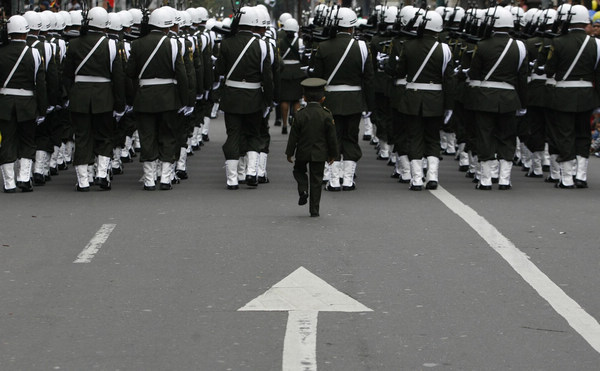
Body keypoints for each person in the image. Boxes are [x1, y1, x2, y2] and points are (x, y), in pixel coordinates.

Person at [63, 6, 126, 191]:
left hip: (80, 97)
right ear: (105, 24)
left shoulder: (73, 44)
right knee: (104, 137)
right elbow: (118, 79)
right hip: (104, 97)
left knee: (82, 137)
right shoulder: (113, 45)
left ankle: (83, 181)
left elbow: (66, 76)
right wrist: (120, 104)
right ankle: (101, 174)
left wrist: (73, 92)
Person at [215, 6, 273, 189]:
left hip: (232, 96)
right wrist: (268, 100)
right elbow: (268, 77)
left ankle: (232, 179)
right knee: (253, 135)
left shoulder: (226, 43)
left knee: (233, 135)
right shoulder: (263, 45)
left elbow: (219, 71)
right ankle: (251, 172)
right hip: (254, 96)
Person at [545, 4, 600, 189]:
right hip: (586, 94)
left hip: (564, 94)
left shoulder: (558, 42)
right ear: (586, 22)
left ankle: (567, 178)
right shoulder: (596, 43)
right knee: (584, 133)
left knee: (565, 134)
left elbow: (550, 70)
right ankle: (581, 176)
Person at [0, 15, 48, 193]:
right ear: (26, 31)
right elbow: (40, 83)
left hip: (4, 103)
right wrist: (42, 108)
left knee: (7, 141)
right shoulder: (33, 53)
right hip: (26, 102)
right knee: (27, 140)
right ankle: (24, 178)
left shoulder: (1, 52)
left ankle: (9, 182)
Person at [286, 78, 338, 217]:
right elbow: (331, 137)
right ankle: (314, 209)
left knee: (298, 171)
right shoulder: (326, 115)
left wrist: (289, 153)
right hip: (320, 153)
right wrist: (333, 154)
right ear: (323, 99)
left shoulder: (300, 114)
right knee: (317, 180)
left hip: (303, 151)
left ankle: (303, 189)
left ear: (304, 98)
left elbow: (293, 137)